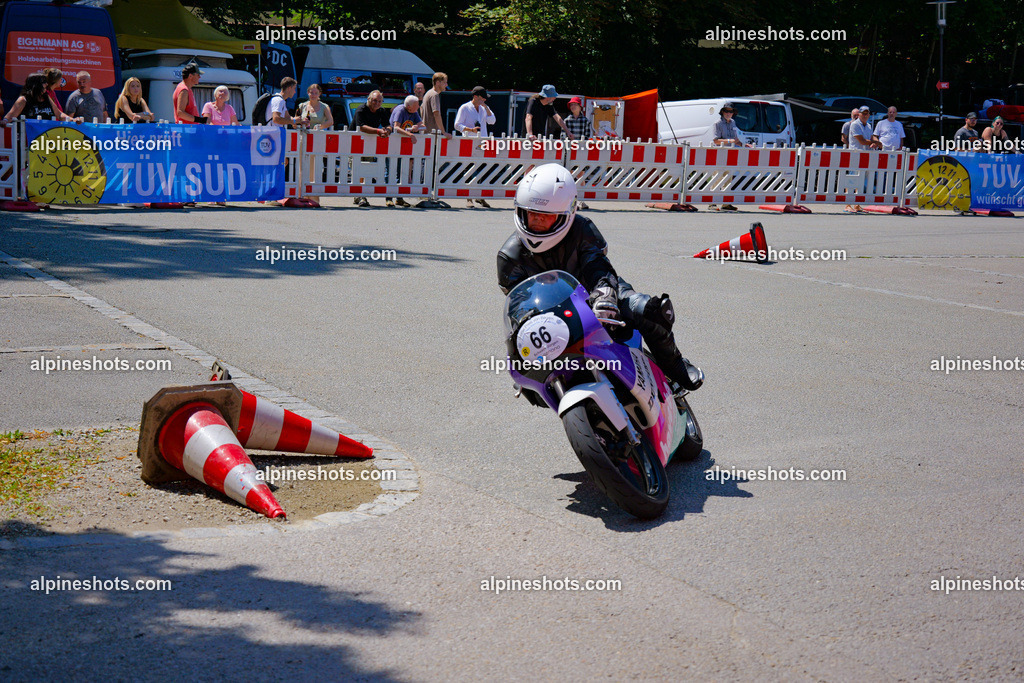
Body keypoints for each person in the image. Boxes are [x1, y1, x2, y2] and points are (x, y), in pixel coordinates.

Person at [496, 163, 703, 394]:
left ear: (566, 213)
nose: (536, 221)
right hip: (552, 317)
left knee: (649, 309)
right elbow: (519, 308)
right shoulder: (509, 257)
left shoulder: (582, 228)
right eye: (531, 213)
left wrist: (604, 293)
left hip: (600, 293)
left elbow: (598, 267)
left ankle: (675, 366)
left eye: (546, 216)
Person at [454, 85, 496, 208]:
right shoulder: (465, 108)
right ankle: (468, 198)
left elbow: (492, 121)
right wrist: (470, 129)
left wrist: (486, 108)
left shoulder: (483, 108)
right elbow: (457, 125)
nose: (485, 100)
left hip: (482, 142)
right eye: (483, 98)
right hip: (469, 142)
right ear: (476, 97)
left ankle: (480, 196)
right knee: (470, 169)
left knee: (482, 169)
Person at [351, 90, 392, 207]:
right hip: (354, 142)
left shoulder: (382, 111)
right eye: (374, 100)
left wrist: (387, 131)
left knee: (366, 168)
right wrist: (379, 131)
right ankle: (359, 195)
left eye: (380, 101)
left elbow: (388, 125)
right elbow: (361, 127)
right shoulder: (361, 109)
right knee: (356, 169)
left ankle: (361, 195)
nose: (377, 103)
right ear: (368, 99)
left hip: (369, 144)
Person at [710, 104, 753, 211]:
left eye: (730, 112)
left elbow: (736, 140)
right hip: (720, 153)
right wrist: (730, 141)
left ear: (733, 113)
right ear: (723, 112)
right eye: (726, 111)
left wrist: (744, 145)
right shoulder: (717, 124)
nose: (728, 113)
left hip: (731, 153)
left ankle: (726, 203)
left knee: (729, 178)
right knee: (717, 177)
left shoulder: (733, 122)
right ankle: (712, 203)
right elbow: (715, 141)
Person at [388, 94, 424, 207]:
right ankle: (388, 198)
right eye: (416, 105)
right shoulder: (400, 111)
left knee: (401, 171)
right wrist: (410, 134)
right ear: (409, 106)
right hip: (393, 144)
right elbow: (396, 127)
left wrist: (417, 127)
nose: (418, 107)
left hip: (403, 146)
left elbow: (423, 125)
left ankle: (399, 198)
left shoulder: (414, 112)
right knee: (391, 170)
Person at [847, 106, 881, 212]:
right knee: (852, 180)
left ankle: (857, 205)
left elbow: (870, 138)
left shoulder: (869, 125)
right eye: (863, 113)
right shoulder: (855, 124)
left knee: (861, 181)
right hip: (856, 155)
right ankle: (847, 204)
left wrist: (876, 142)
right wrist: (875, 143)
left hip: (866, 155)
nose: (865, 115)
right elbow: (862, 141)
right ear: (859, 114)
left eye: (867, 113)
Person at [421, 72, 451, 139]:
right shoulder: (435, 95)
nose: (446, 85)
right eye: (444, 83)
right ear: (437, 83)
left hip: (426, 132)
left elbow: (421, 108)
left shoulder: (428, 93)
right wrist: (444, 132)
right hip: (433, 134)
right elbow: (436, 114)